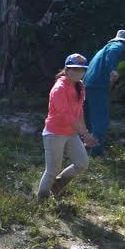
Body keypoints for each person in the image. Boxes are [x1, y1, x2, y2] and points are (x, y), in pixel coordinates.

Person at [37, 54, 98, 198]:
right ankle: (42, 201)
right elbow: (68, 116)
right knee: (52, 170)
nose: (79, 73)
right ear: (67, 69)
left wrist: (85, 132)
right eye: (75, 69)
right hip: (55, 133)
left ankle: (56, 186)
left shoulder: (80, 86)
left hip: (71, 133)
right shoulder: (59, 89)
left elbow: (79, 112)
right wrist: (85, 134)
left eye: (82, 70)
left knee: (82, 163)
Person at [84, 29, 125, 157]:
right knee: (101, 119)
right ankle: (97, 151)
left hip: (88, 84)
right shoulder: (116, 46)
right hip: (98, 86)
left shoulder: (104, 48)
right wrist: (112, 71)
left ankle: (84, 147)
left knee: (88, 118)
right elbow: (112, 55)